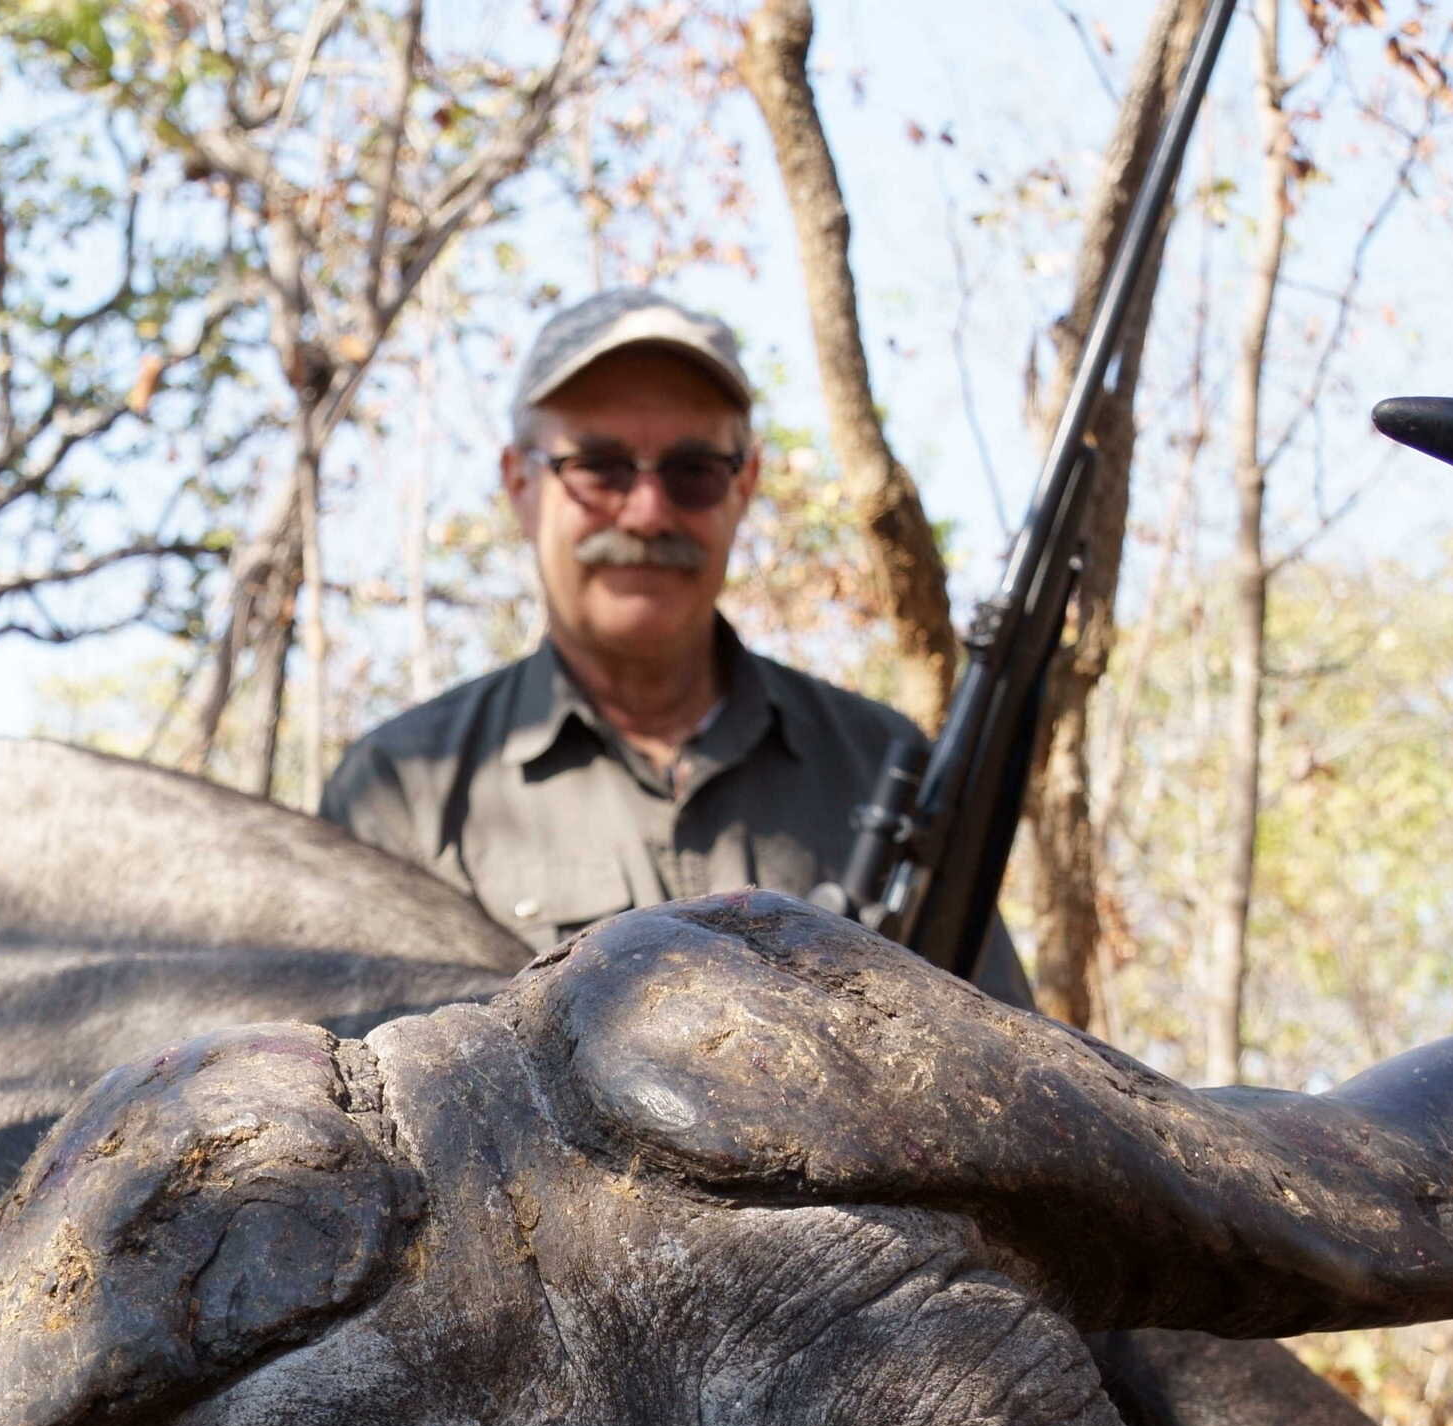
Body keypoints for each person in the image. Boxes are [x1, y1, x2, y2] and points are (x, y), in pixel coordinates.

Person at [318, 285, 1026, 1002]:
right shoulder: (402, 793)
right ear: (520, 483)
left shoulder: (881, 763)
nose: (650, 512)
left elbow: (1008, 1073)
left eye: (693, 472)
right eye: (600, 467)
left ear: (744, 484)